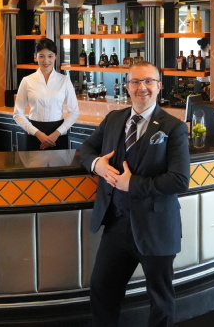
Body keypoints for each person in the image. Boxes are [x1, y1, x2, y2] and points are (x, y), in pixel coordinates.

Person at [79, 61, 190, 326]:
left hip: (155, 226)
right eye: (135, 82)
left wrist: (134, 184)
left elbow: (179, 180)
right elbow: (86, 149)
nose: (142, 87)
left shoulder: (173, 127)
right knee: (102, 290)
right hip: (117, 225)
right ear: (127, 87)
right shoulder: (113, 119)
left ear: (159, 86)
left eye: (149, 81)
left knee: (160, 300)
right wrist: (97, 165)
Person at [13, 38, 79, 150]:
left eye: (50, 56)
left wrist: (57, 134)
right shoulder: (27, 81)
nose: (46, 61)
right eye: (41, 56)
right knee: (35, 162)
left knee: (59, 162)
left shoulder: (64, 80)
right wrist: (38, 133)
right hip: (34, 133)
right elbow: (17, 113)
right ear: (36, 56)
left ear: (55, 56)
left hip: (58, 134)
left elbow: (74, 112)